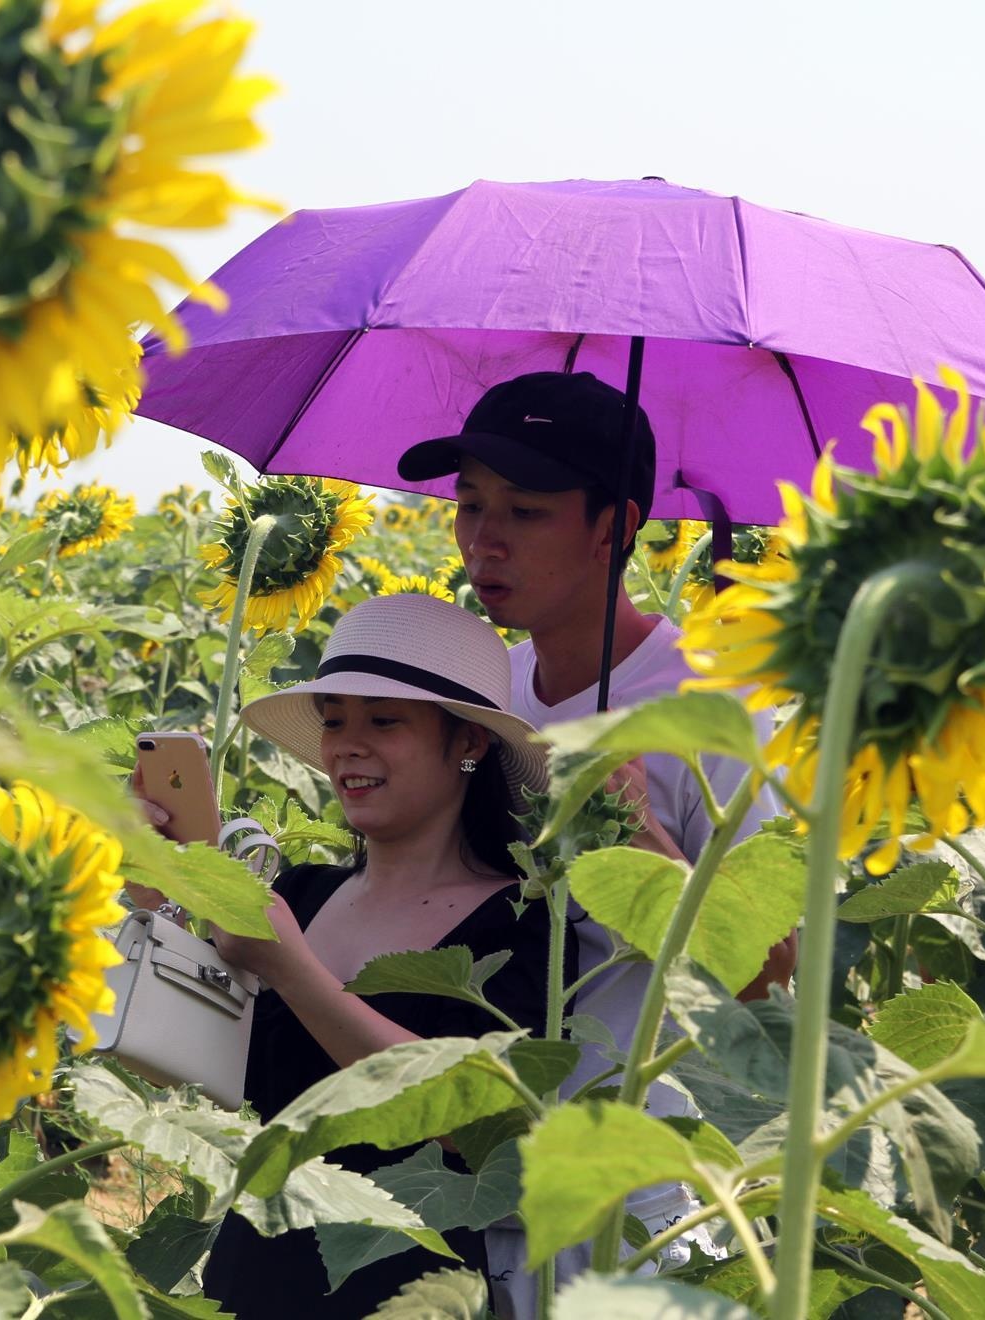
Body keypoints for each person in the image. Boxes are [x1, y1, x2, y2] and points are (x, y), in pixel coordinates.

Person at [399, 371, 791, 1297]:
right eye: (469, 506)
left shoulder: (714, 705)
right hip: (493, 1164)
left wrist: (643, 836)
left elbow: (771, 965)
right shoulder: (490, 686)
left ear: (613, 525)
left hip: (650, 1184)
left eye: (525, 512)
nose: (482, 542)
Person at [137, 593, 569, 1318]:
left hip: (404, 1297)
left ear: (468, 743)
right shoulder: (302, 892)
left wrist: (292, 970)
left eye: (383, 720)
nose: (347, 745)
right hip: (252, 1279)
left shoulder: (519, 922)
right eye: (335, 720)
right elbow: (182, 1065)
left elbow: (475, 1131)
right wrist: (155, 890)